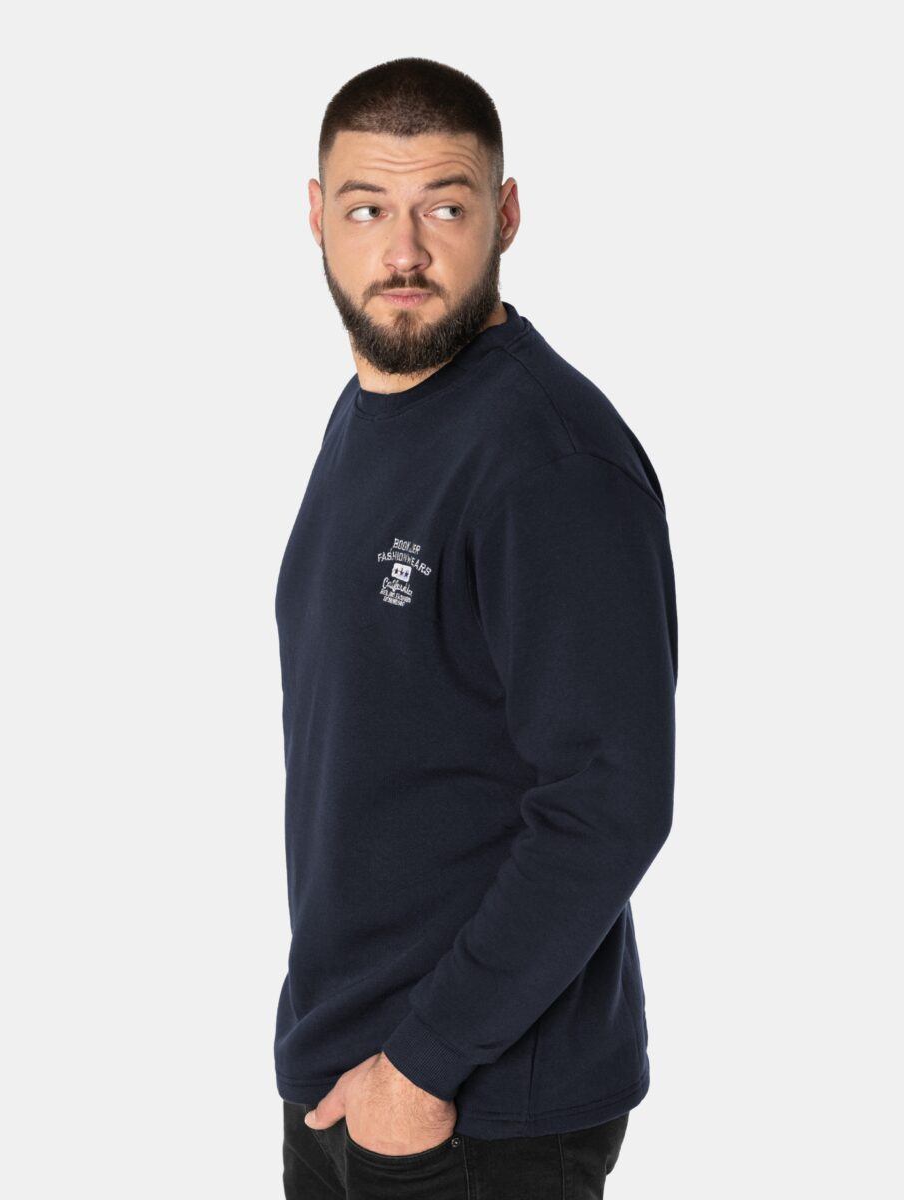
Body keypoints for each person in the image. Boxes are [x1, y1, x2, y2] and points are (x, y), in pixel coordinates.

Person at [275, 56, 678, 1199]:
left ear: (505, 214)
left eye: (443, 209)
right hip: (346, 1072)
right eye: (368, 209)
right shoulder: (377, 409)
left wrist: (420, 1069)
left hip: (474, 1112)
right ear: (317, 215)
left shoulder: (546, 457)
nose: (403, 253)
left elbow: (609, 802)